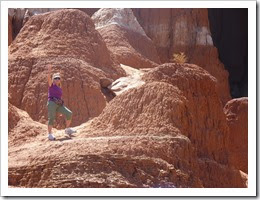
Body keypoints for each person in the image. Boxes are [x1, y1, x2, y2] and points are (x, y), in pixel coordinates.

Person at [47, 64, 75, 141]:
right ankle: (50, 134)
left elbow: (59, 97)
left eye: (58, 78)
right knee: (51, 118)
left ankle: (67, 129)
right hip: (52, 103)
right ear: (53, 80)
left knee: (69, 113)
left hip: (58, 104)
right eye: (55, 78)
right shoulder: (51, 85)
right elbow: (48, 78)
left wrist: (60, 108)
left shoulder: (59, 88)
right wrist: (49, 71)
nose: (57, 79)